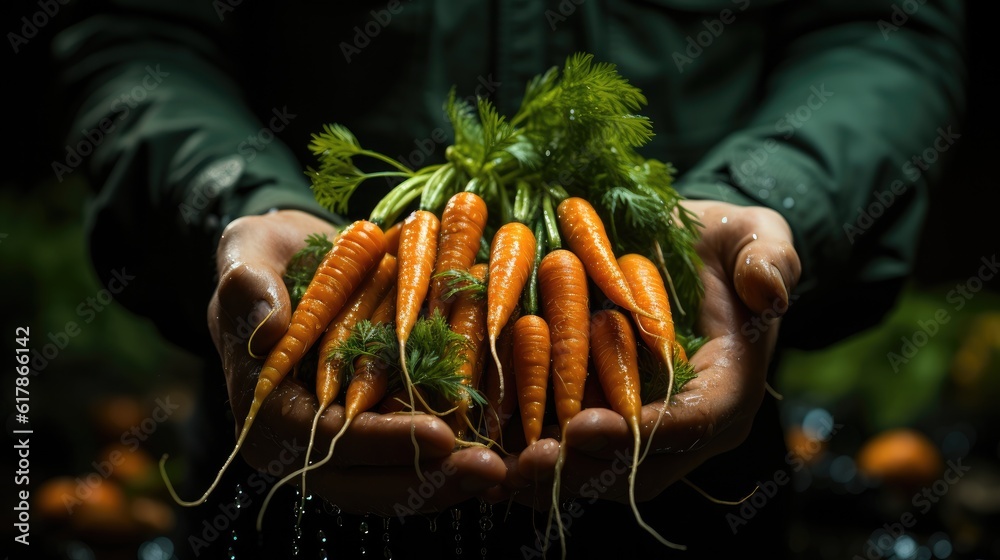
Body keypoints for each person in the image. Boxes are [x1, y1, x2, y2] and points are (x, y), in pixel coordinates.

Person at [49, 1, 966, 558]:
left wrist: (771, 196)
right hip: (288, 429)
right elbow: (133, 30)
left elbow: (885, 28)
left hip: (689, 424)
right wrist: (234, 200)